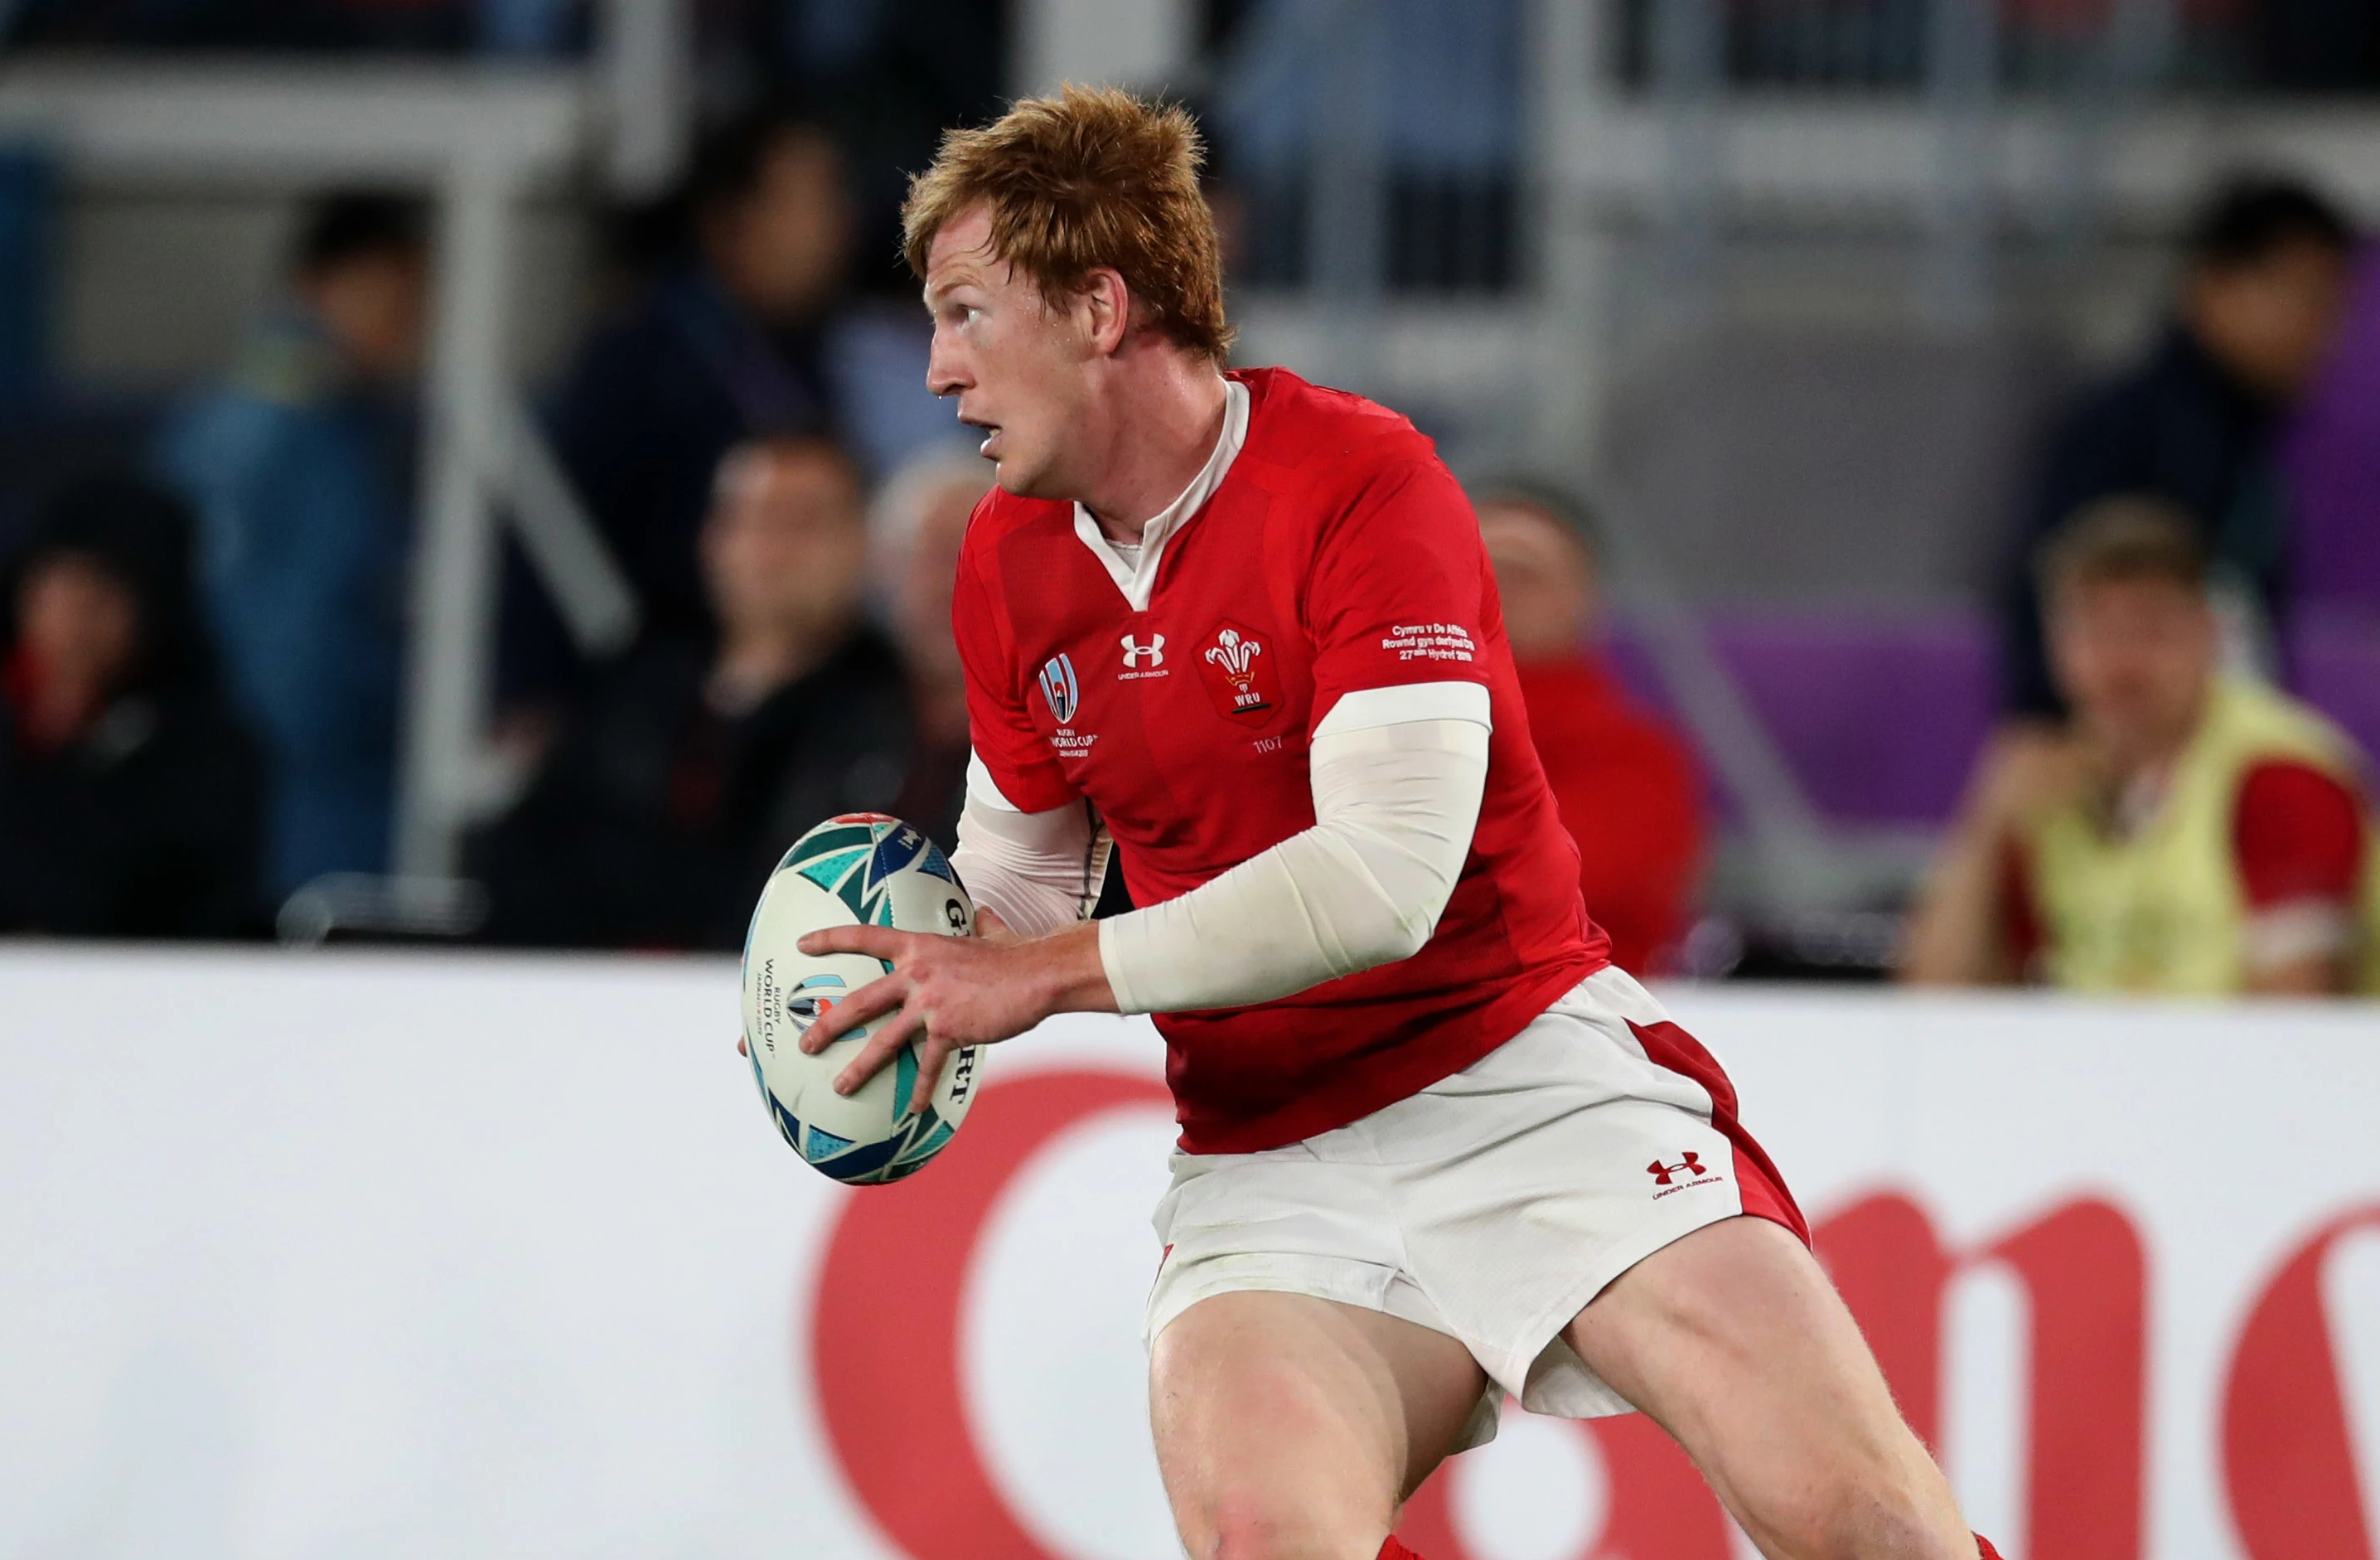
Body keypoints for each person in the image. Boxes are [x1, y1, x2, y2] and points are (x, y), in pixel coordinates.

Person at [777, 88, 2007, 1560]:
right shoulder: (1005, 562)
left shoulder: (1361, 483)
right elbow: (1025, 887)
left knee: (1865, 1524)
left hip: (1521, 1081)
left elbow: (1382, 880)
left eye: (966, 314)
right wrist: (890, 980)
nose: (934, 369)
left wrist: (1037, 975)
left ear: (1098, 307)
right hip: (1267, 1156)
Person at [1906, 497, 2375, 996]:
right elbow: (1935, 1006)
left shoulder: (2279, 777)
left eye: (2151, 631)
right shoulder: (2044, 790)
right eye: (2095, 631)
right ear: (2054, 646)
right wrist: (1984, 826)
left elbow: (2294, 1024)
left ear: (2209, 635)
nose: (2121, 664)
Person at [472, 436, 913, 950]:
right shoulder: (636, 681)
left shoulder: (898, 715)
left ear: (861, 543)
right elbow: (528, 846)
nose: (770, 550)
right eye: (747, 519)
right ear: (711, 539)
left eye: (802, 523)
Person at [2000, 176, 2356, 721]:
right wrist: (2045, 719)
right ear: (2213, 285)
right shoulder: (2127, 428)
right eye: (2303, 296)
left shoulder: (2253, 440)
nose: (2320, 329)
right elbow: (2044, 584)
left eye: (2331, 305)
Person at [157, 191, 427, 894]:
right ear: (316, 286)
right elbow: (277, 639)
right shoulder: (265, 433)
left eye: (410, 303)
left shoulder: (339, 428)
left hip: (323, 779)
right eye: (381, 296)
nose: (399, 327)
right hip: (295, 789)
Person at [540, 112, 854, 656]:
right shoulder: (637, 363)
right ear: (731, 222)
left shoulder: (809, 355)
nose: (838, 225)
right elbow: (556, 540)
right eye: (811, 199)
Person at [0, 474, 267, 937]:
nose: (75, 614)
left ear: (154, 610)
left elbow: (190, 905)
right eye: (57, 582)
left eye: (104, 592)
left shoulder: (205, 754)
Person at [1475, 480, 1706, 976]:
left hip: (1574, 1029)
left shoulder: (1638, 760)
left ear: (1583, 597)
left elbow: (1552, 887)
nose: (1494, 590)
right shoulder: (1344, 723)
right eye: (1470, 568)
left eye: (1522, 574)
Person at [868, 442, 998, 850]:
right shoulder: (832, 723)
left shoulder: (1074, 748)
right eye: (931, 557)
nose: (950, 586)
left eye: (974, 558)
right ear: (886, 572)